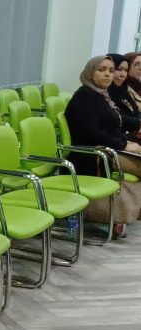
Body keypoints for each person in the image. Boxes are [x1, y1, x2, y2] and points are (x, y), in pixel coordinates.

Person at [65, 56, 141, 238]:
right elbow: (91, 133)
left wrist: (128, 142)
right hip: (93, 154)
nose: (108, 74)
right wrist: (124, 144)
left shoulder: (101, 96)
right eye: (101, 70)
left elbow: (114, 126)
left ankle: (122, 213)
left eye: (110, 70)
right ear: (90, 72)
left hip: (108, 150)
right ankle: (113, 214)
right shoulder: (84, 97)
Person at [107, 53, 141, 130]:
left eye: (126, 70)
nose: (123, 74)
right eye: (119, 69)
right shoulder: (101, 93)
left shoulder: (123, 90)